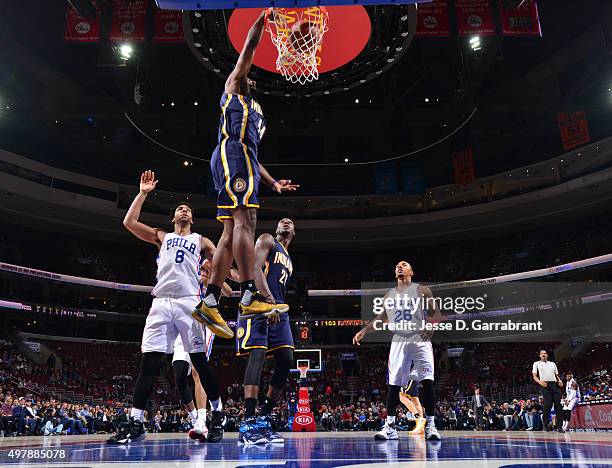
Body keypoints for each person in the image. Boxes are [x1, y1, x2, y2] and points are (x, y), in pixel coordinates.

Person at [192, 9, 299, 339]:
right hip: (231, 152)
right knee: (246, 222)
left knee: (229, 232)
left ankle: (209, 301)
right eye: (247, 75)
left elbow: (254, 157)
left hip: (243, 159)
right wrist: (264, 20)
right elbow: (249, 47)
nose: (250, 78)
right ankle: (251, 293)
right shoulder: (234, 86)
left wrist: (273, 182)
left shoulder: (257, 111)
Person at [107, 170, 224, 444]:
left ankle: (218, 414)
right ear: (174, 218)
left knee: (199, 362)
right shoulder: (162, 236)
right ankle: (135, 422)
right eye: (180, 209)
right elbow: (129, 222)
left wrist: (213, 268)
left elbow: (221, 263)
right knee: (149, 362)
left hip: (188, 303)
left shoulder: (201, 241)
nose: (184, 210)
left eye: (188, 209)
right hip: (160, 303)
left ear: (192, 219)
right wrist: (143, 193)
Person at [353, 261, 444, 441]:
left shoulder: (422, 290)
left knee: (427, 380)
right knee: (394, 383)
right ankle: (390, 427)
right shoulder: (389, 295)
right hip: (399, 339)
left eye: (404, 265)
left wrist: (432, 327)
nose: (399, 267)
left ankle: (431, 426)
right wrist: (364, 330)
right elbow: (381, 318)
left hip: (420, 338)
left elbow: (437, 314)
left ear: (412, 271)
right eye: (397, 266)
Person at [236, 218, 296, 445]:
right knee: (257, 356)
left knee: (286, 358)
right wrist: (269, 302)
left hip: (279, 308)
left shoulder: (289, 259)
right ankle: (248, 422)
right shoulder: (267, 240)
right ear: (277, 228)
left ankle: (262, 418)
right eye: (282, 221)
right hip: (260, 304)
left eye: (290, 222)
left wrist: (276, 306)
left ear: (294, 231)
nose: (286, 222)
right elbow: (253, 268)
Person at [172, 260, 233, 441]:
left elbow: (229, 293)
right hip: (182, 325)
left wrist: (213, 278)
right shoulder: (189, 278)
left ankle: (202, 417)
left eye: (206, 269)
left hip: (202, 327)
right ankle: (196, 420)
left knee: (198, 372)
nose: (203, 271)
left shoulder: (212, 282)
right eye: (202, 269)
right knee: (179, 374)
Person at [532, 349, 565, 433]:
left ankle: (560, 426)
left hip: (555, 384)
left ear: (547, 355)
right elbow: (534, 376)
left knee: (558, 405)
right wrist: (540, 382)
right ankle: (545, 424)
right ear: (539, 355)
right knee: (548, 404)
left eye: (545, 353)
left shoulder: (552, 364)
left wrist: (560, 380)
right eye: (542, 353)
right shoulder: (536, 363)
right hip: (545, 385)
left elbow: (556, 375)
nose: (543, 354)